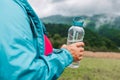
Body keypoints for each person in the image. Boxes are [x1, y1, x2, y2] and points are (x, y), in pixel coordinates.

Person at [0, 0, 84, 80]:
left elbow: (26, 49)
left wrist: (60, 52)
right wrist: (66, 55)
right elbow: (22, 75)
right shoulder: (10, 8)